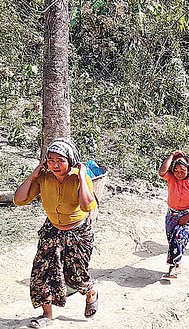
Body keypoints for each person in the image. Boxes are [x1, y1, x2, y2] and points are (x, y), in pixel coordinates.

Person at [13, 138, 99, 327]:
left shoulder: (79, 177)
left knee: (75, 273)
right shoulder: (44, 177)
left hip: (78, 232)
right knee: (43, 272)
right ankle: (47, 315)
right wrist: (33, 176)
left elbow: (87, 206)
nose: (55, 165)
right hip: (52, 230)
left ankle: (90, 291)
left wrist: (82, 177)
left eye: (60, 160)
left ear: (70, 159)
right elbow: (19, 200)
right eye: (50, 160)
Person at [158, 151, 189, 279]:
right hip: (172, 214)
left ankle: (174, 266)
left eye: (182, 171)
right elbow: (162, 172)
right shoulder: (171, 177)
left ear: (188, 169)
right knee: (171, 239)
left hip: (188, 214)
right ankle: (176, 264)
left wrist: (187, 217)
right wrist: (171, 156)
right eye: (176, 171)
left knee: (179, 237)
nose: (179, 174)